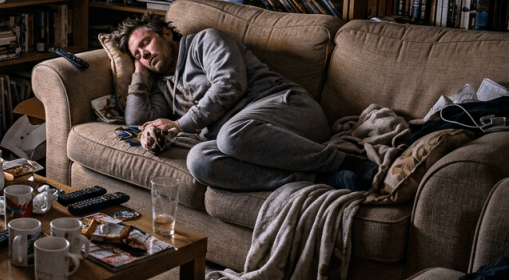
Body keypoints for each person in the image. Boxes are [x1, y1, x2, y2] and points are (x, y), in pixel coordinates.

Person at [111, 14, 377, 192]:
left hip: (290, 110)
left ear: (167, 35)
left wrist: (180, 124)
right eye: (138, 54)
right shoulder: (163, 85)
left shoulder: (205, 41)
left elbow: (230, 85)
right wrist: (139, 75)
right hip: (244, 141)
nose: (145, 54)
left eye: (146, 43)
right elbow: (135, 121)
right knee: (199, 160)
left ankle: (345, 162)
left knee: (229, 135)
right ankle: (323, 179)